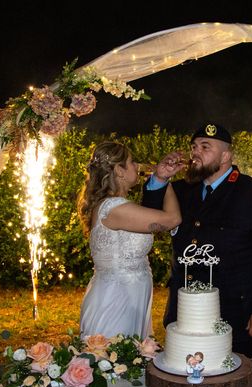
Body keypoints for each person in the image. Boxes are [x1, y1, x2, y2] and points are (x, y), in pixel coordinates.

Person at [143, 123, 252, 357]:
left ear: (226, 156)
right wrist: (159, 179)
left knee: (233, 383)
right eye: (193, 147)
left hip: (234, 313)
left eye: (205, 147)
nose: (195, 153)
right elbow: (147, 220)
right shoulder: (179, 190)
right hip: (183, 311)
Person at [77, 141, 181, 339]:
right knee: (117, 360)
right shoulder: (115, 208)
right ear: (119, 170)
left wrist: (159, 177)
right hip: (117, 302)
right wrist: (165, 180)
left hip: (128, 296)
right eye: (132, 162)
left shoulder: (117, 206)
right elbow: (172, 219)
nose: (137, 166)